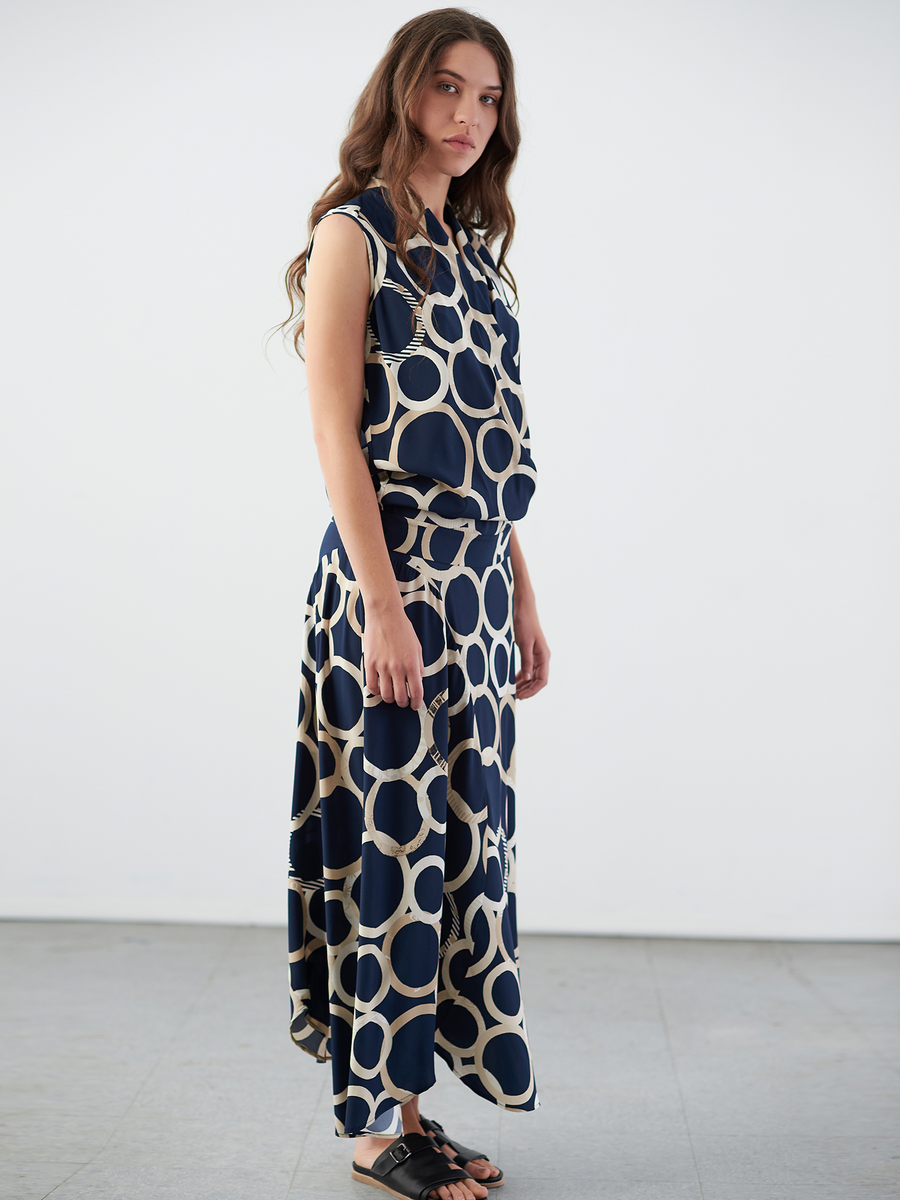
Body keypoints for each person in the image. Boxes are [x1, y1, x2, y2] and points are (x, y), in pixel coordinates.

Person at [282, 10, 550, 1199]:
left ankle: (412, 1111)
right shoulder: (357, 237)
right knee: (389, 845)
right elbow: (336, 435)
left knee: (458, 852)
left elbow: (490, 457)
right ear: (403, 93)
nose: (465, 117)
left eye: (487, 99)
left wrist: (524, 596)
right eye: (446, 89)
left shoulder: (475, 258)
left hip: (481, 591)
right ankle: (374, 1126)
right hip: (388, 589)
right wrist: (386, 608)